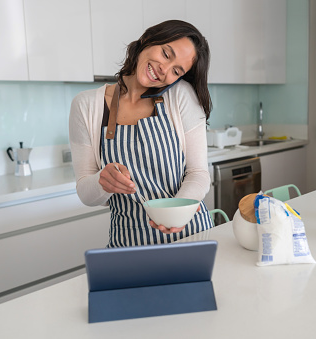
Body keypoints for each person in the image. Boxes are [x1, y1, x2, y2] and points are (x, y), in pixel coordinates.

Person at [69, 20, 214, 248]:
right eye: (166, 54)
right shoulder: (86, 106)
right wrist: (102, 182)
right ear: (148, 39)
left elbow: (198, 173)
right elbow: (86, 194)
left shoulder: (181, 96)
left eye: (176, 70)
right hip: (128, 243)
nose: (164, 70)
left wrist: (175, 211)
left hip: (189, 234)